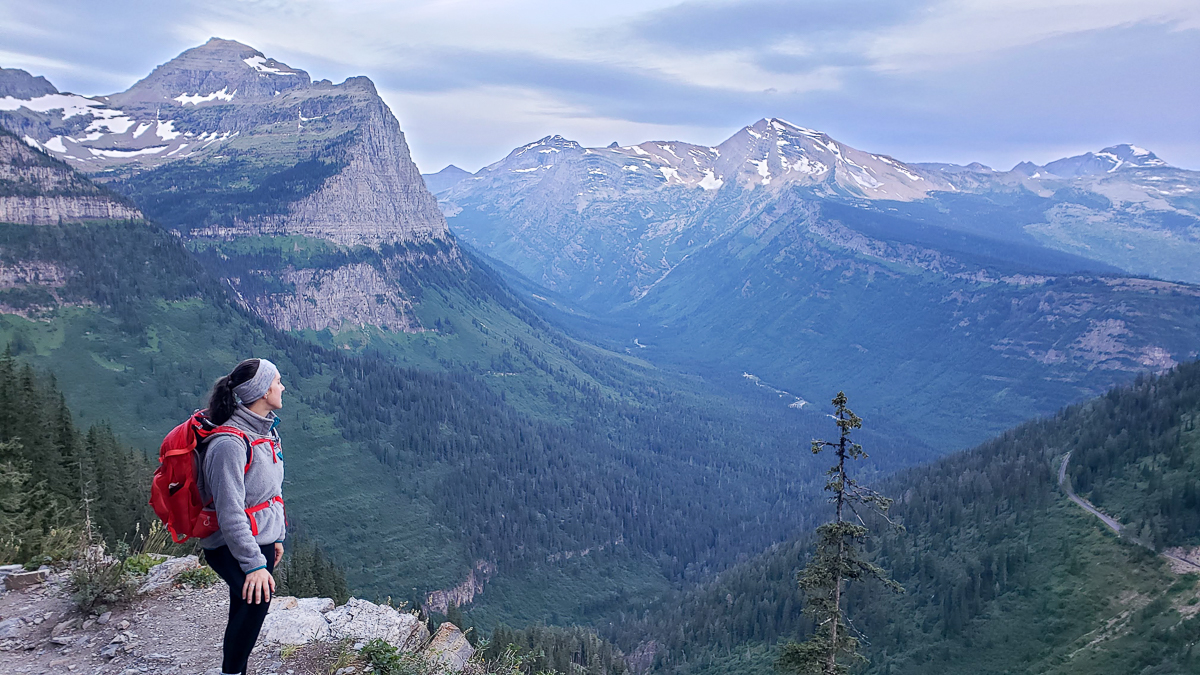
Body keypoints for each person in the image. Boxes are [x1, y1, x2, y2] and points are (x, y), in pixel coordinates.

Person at [198, 358, 287, 675]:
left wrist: (275, 536)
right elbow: (229, 511)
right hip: (228, 543)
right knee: (256, 601)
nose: (282, 387)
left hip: (257, 537)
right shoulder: (229, 443)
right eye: (277, 381)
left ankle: (234, 670)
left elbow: (267, 492)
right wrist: (253, 563)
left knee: (245, 604)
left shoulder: (265, 432)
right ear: (263, 390)